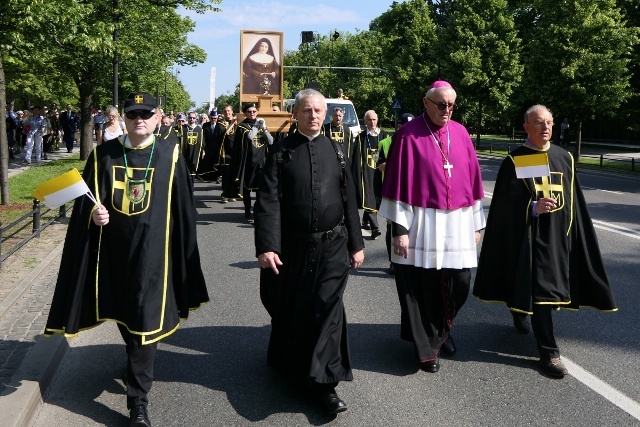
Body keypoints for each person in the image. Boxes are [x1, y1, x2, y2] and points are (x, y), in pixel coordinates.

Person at [44, 92, 209, 427]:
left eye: (146, 114)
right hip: (114, 254)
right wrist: (93, 212)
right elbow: (82, 200)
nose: (139, 120)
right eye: (133, 115)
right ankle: (136, 361)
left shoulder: (170, 153)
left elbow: (183, 208)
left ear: (158, 116)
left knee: (144, 320)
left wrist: (184, 255)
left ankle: (138, 402)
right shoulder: (104, 155)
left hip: (155, 257)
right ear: (124, 118)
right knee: (124, 313)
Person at [472, 104, 617, 378]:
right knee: (541, 290)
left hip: (558, 236)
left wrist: (575, 237)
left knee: (544, 289)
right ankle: (548, 351)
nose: (546, 127)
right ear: (526, 126)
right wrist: (532, 207)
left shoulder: (564, 157)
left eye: (550, 122)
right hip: (530, 235)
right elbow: (508, 203)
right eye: (539, 122)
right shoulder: (520, 159)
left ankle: (520, 307)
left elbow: (574, 201)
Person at [254, 88, 364, 414]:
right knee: (292, 308)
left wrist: (357, 244)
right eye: (307, 111)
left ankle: (326, 385)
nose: (314, 116)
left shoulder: (337, 150)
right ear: (296, 114)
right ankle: (290, 363)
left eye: (319, 111)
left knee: (327, 308)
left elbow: (349, 201)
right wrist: (267, 246)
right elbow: (268, 202)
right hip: (293, 247)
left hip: (333, 245)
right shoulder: (280, 151)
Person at [378, 80, 485, 373]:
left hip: (457, 222)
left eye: (451, 105)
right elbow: (397, 184)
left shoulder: (461, 133)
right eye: (441, 104)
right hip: (420, 223)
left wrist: (477, 225)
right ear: (425, 103)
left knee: (459, 283)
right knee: (420, 287)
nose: (446, 110)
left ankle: (441, 332)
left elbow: (473, 182)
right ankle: (425, 347)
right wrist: (399, 230)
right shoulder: (407, 135)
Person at [378, 112, 414, 275]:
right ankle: (393, 261)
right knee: (393, 227)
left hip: (412, 193)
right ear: (398, 126)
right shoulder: (386, 142)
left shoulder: (416, 141)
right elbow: (380, 165)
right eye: (403, 125)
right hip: (393, 191)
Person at [231, 103, 273, 218]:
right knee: (247, 188)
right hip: (248, 161)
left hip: (261, 161)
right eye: (249, 111)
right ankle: (247, 210)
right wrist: (255, 126)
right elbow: (249, 137)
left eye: (254, 111)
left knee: (261, 189)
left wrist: (264, 128)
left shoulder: (261, 125)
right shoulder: (242, 127)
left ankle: (258, 210)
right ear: (245, 113)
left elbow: (270, 141)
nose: (252, 113)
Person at [353, 110, 388, 239]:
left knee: (378, 198)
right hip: (366, 173)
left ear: (377, 120)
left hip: (381, 172)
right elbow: (356, 158)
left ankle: (365, 220)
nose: (372, 122)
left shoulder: (385, 136)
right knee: (368, 196)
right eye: (369, 120)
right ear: (365, 121)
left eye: (374, 119)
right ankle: (375, 228)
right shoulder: (361, 138)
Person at [218, 105, 239, 203]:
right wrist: (231, 124)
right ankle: (225, 195)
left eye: (229, 111)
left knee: (234, 175)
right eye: (225, 111)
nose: (227, 113)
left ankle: (232, 194)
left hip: (236, 153)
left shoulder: (238, 123)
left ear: (232, 111)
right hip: (225, 153)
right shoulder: (221, 124)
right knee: (226, 175)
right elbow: (223, 135)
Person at [180, 111, 204, 184]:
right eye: (190, 118)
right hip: (185, 152)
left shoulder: (199, 129)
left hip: (195, 152)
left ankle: (192, 187)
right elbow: (178, 139)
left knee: (193, 169)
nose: (192, 119)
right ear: (188, 118)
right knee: (185, 170)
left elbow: (202, 141)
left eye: (193, 118)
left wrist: (203, 151)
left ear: (196, 119)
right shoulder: (183, 128)